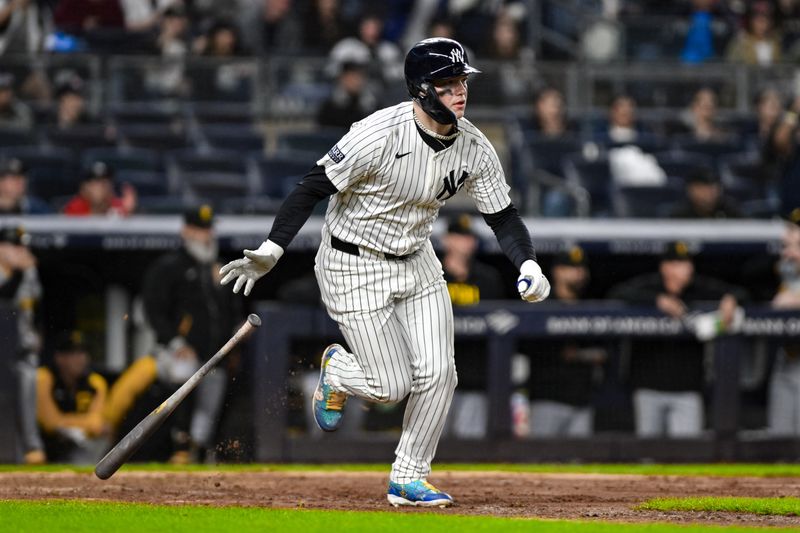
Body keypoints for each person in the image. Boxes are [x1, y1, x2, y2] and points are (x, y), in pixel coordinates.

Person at [219, 38, 551, 507]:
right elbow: (310, 187)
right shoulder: (377, 133)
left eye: (463, 82)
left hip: (416, 260)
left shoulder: (474, 145)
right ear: (421, 89)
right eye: (448, 83)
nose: (460, 92)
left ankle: (409, 476)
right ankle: (338, 370)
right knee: (390, 386)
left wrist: (528, 262)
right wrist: (274, 248)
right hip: (352, 264)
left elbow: (502, 216)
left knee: (440, 373)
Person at [607, 241, 747, 438]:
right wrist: (657, 300)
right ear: (665, 267)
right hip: (648, 387)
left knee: (688, 456)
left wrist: (732, 299)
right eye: (678, 264)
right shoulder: (650, 285)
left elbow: (742, 292)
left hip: (687, 389)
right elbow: (617, 292)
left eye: (687, 264)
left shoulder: (698, 287)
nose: (685, 270)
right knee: (647, 454)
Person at [140, 204, 243, 462]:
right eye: (199, 229)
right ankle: (179, 445)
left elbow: (231, 311)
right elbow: (153, 311)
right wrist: (175, 342)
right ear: (186, 231)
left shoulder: (219, 268)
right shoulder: (169, 267)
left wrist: (234, 339)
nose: (206, 235)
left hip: (213, 355)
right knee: (183, 373)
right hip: (177, 351)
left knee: (210, 405)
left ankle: (199, 451)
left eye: (208, 229)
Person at [527, 245, 606, 437]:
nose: (578, 273)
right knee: (539, 462)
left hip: (582, 401)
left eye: (581, 268)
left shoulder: (590, 308)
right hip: (546, 400)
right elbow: (532, 350)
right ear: (557, 272)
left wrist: (576, 355)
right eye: (571, 268)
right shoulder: (540, 305)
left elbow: (602, 352)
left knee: (578, 464)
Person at [440, 213, 505, 439]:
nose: (465, 243)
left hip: (474, 379)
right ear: (446, 239)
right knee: (428, 446)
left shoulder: (488, 279)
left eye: (468, 237)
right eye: (458, 236)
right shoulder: (429, 275)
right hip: (435, 379)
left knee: (470, 446)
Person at [0, 225, 45, 463]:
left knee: (28, 387)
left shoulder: (29, 274)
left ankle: (30, 447)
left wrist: (38, 332)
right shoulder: (16, 273)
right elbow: (4, 298)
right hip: (1, 350)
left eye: (23, 246)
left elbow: (35, 306)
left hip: (22, 347)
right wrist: (18, 272)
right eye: (15, 246)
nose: (21, 251)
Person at [36, 330, 109, 464]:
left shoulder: (95, 383)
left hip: (79, 445)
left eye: (83, 352)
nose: (80, 358)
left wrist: (66, 422)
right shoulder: (44, 378)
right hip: (47, 444)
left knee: (103, 438)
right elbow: (50, 423)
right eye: (73, 353)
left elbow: (97, 423)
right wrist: (83, 423)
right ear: (59, 357)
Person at [767, 209, 800, 434]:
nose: (789, 254)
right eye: (786, 246)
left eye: (796, 246)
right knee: (779, 441)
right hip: (786, 360)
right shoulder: (785, 276)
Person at [316, 60, 378, 130]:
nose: (355, 81)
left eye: (358, 77)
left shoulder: (372, 106)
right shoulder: (330, 107)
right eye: (350, 77)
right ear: (342, 79)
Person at [62, 161, 137, 216]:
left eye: (105, 182)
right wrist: (97, 206)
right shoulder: (75, 206)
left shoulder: (118, 205)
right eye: (96, 183)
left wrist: (129, 213)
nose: (101, 187)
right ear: (84, 188)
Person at [668, 166, 742, 219]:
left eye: (712, 187)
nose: (709, 193)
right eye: (702, 188)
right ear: (691, 190)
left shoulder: (730, 210)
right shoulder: (680, 214)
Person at [725, 1, 781, 66]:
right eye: (758, 21)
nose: (761, 25)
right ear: (751, 22)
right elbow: (731, 65)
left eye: (764, 21)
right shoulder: (741, 43)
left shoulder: (775, 43)